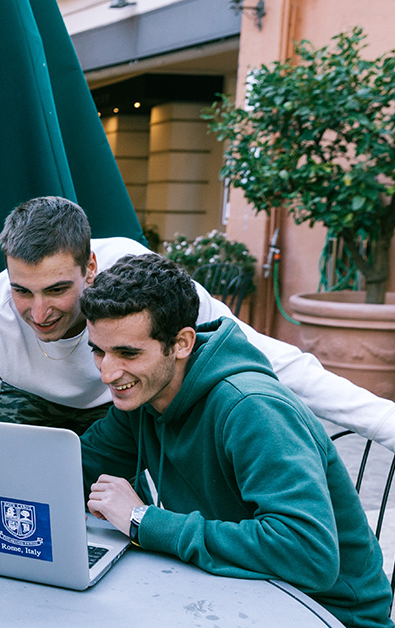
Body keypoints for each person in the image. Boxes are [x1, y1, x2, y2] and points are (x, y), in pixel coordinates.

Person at [80, 254, 392, 628]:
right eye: (98, 351)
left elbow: (308, 555)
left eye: (128, 353)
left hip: (327, 613)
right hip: (229, 595)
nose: (108, 373)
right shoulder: (142, 397)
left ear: (181, 343)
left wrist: (144, 521)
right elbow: (77, 470)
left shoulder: (252, 409)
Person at [0, 196, 395, 449]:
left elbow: (266, 355)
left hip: (123, 408)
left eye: (58, 290)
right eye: (22, 291)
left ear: (92, 267)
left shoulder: (139, 279)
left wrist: (383, 422)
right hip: (33, 409)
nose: (38, 314)